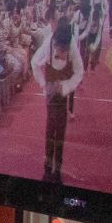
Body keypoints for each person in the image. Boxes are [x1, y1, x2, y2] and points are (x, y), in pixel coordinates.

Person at [40, 18, 85, 185]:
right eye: (57, 48)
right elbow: (34, 63)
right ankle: (46, 169)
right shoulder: (48, 44)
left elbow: (79, 72)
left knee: (60, 133)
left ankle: (57, 170)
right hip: (51, 91)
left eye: (63, 49)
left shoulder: (73, 47)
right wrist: (44, 85)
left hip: (63, 91)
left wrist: (66, 86)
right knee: (50, 130)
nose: (59, 51)